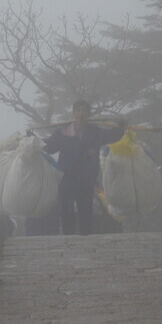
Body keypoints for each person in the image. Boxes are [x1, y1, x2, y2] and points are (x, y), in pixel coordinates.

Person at [43, 100, 125, 236]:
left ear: (88, 114)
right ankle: (68, 239)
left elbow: (112, 136)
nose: (81, 114)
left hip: (86, 178)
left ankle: (86, 240)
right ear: (74, 113)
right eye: (78, 111)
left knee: (85, 210)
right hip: (66, 178)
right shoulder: (63, 131)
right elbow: (50, 147)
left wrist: (120, 126)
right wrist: (32, 139)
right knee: (66, 210)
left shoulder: (95, 132)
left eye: (84, 111)